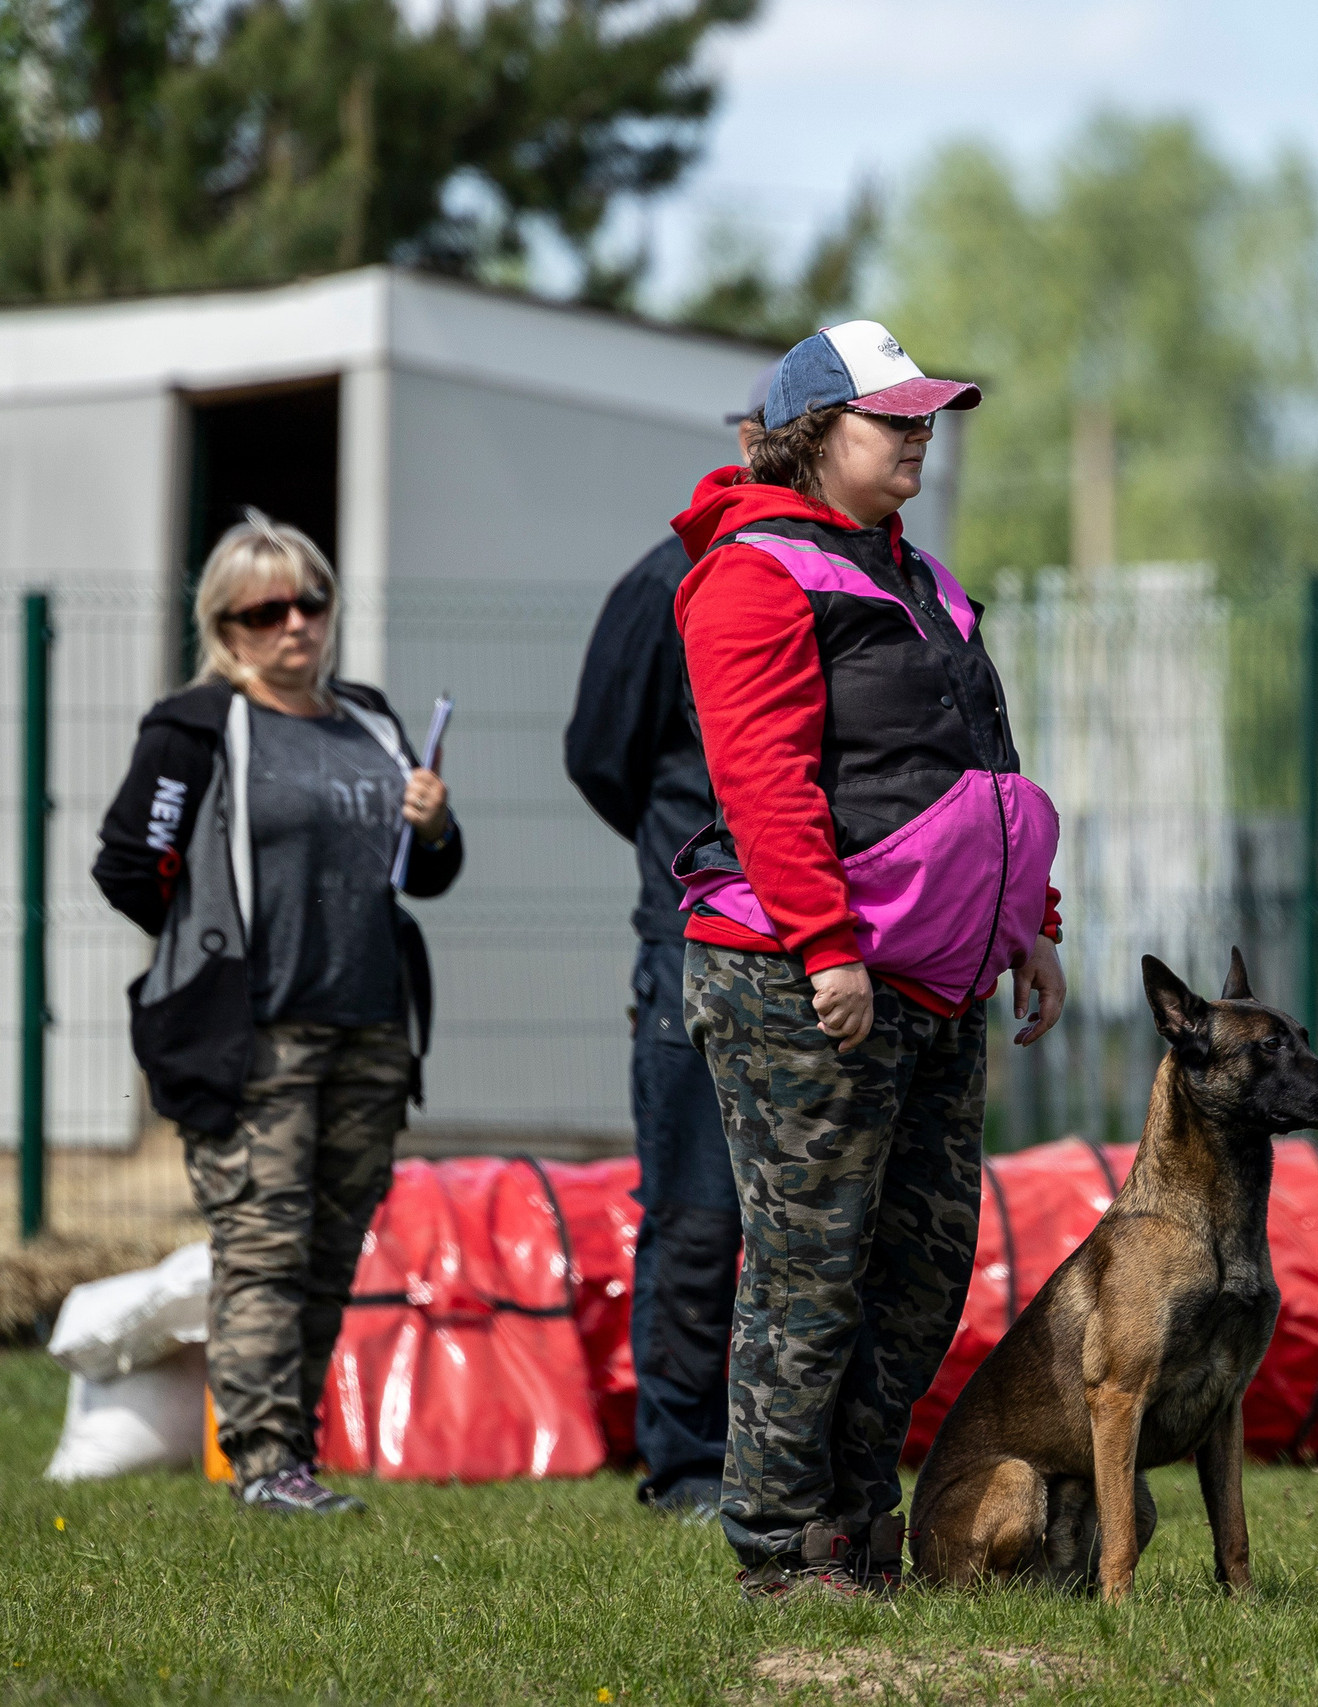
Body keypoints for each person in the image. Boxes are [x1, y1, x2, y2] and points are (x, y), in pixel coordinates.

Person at [671, 320, 1068, 1601]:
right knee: (810, 1267)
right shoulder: (751, 576)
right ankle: (782, 1548)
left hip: (933, 974)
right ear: (810, 434)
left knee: (920, 1272)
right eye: (889, 418)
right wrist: (826, 949)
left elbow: (971, 771)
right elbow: (767, 785)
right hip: (805, 976)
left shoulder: (921, 576)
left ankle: (855, 1519)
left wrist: (1030, 928)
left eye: (924, 417)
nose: (917, 435)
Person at [93, 512, 461, 1517]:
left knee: (331, 1249)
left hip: (372, 1026)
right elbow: (132, 865)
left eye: (311, 601)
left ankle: (291, 1456)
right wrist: (209, 945)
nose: (294, 624)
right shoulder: (196, 726)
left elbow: (427, 877)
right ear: (225, 624)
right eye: (265, 610)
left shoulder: (374, 720)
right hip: (254, 1034)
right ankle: (261, 1462)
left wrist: (433, 826)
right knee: (263, 1246)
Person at [563, 362, 774, 1519]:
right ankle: (685, 1464)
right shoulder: (668, 581)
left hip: (823, 950)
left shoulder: (850, 574)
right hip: (693, 944)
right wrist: (685, 852)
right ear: (748, 437)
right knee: (698, 1216)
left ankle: (787, 1459)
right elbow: (602, 755)